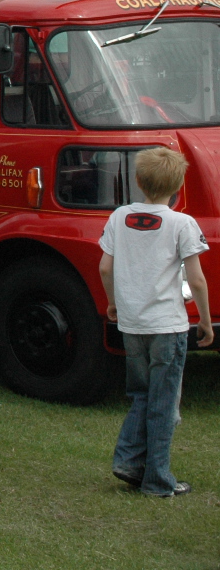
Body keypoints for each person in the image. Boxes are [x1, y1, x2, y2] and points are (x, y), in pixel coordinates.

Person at [98, 146, 213, 497]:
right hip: (168, 327)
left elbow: (105, 267)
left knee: (141, 394)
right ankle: (158, 480)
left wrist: (113, 303)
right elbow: (195, 280)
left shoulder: (119, 216)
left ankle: (128, 461)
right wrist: (205, 321)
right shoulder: (182, 224)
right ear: (179, 185)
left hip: (132, 325)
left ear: (137, 181)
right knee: (164, 402)